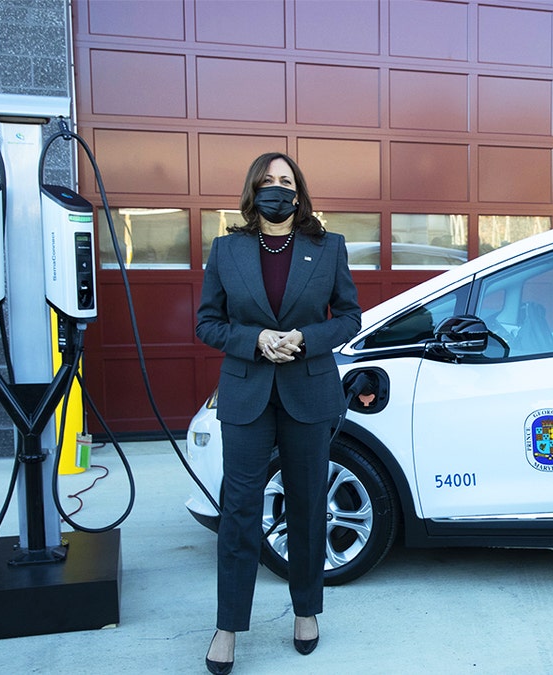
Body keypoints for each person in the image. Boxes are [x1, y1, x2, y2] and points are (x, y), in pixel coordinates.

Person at [195, 152, 361, 674]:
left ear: (299, 192)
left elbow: (350, 317)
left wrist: (306, 339)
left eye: (286, 182)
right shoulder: (227, 250)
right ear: (253, 190)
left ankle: (306, 609)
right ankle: (227, 625)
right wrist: (255, 339)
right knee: (240, 510)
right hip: (246, 395)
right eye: (268, 182)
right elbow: (207, 324)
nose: (277, 189)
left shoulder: (327, 247)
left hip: (307, 393)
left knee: (308, 504)